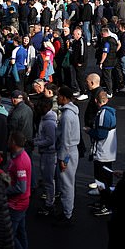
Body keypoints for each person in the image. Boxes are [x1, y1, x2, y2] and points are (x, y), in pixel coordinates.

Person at [6, 131, 36, 249]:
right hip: (22, 202)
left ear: (14, 143)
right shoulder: (19, 157)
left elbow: (20, 187)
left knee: (10, 236)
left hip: (16, 204)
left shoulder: (20, 162)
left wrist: (5, 190)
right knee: (21, 234)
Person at [88, 91, 117, 217]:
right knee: (105, 179)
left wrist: (89, 131)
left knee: (102, 180)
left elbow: (101, 134)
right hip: (107, 152)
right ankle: (103, 202)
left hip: (103, 152)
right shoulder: (109, 112)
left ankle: (106, 205)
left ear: (96, 101)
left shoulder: (103, 114)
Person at [54, 86, 80, 226]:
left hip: (68, 152)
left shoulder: (66, 116)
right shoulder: (72, 112)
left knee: (66, 184)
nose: (57, 98)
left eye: (58, 96)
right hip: (71, 150)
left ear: (64, 97)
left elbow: (65, 139)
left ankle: (67, 213)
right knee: (67, 183)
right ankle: (66, 210)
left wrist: (62, 158)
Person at [33, 97, 58, 216]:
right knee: (48, 180)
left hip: (49, 154)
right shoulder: (46, 119)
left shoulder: (48, 122)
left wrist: (35, 142)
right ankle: (49, 201)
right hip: (46, 153)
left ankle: (49, 204)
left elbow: (50, 140)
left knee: (48, 181)